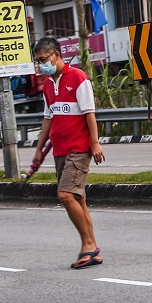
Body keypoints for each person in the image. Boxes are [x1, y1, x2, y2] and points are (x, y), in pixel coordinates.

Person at [31, 36, 106, 269]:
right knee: (78, 199)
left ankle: (89, 247)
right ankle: (92, 246)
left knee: (65, 195)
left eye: (43, 59)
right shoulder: (47, 85)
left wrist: (95, 143)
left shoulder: (78, 78)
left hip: (78, 148)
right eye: (37, 61)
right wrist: (38, 150)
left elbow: (89, 114)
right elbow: (48, 118)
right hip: (60, 149)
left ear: (56, 55)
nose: (40, 65)